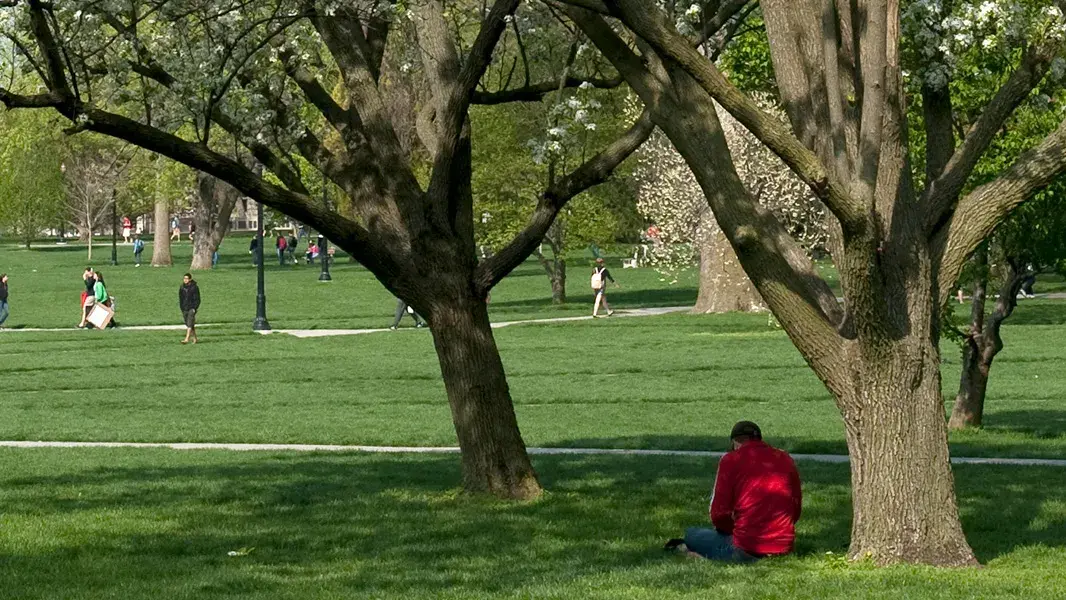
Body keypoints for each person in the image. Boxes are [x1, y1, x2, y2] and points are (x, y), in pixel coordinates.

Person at [664, 421, 802, 563]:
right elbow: (795, 508)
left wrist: (732, 530)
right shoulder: (785, 458)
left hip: (747, 548)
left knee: (692, 534)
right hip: (783, 547)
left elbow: (719, 515)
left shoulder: (730, 460)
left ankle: (693, 553)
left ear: (735, 442)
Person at [179, 273, 201, 344]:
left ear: (190, 279)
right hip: (184, 308)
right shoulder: (182, 287)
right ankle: (195, 339)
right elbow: (181, 298)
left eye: (187, 278)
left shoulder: (194, 287)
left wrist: (194, 308)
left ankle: (186, 339)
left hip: (192, 308)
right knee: (189, 324)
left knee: (189, 323)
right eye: (184, 278)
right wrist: (182, 307)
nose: (185, 280)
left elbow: (198, 299)